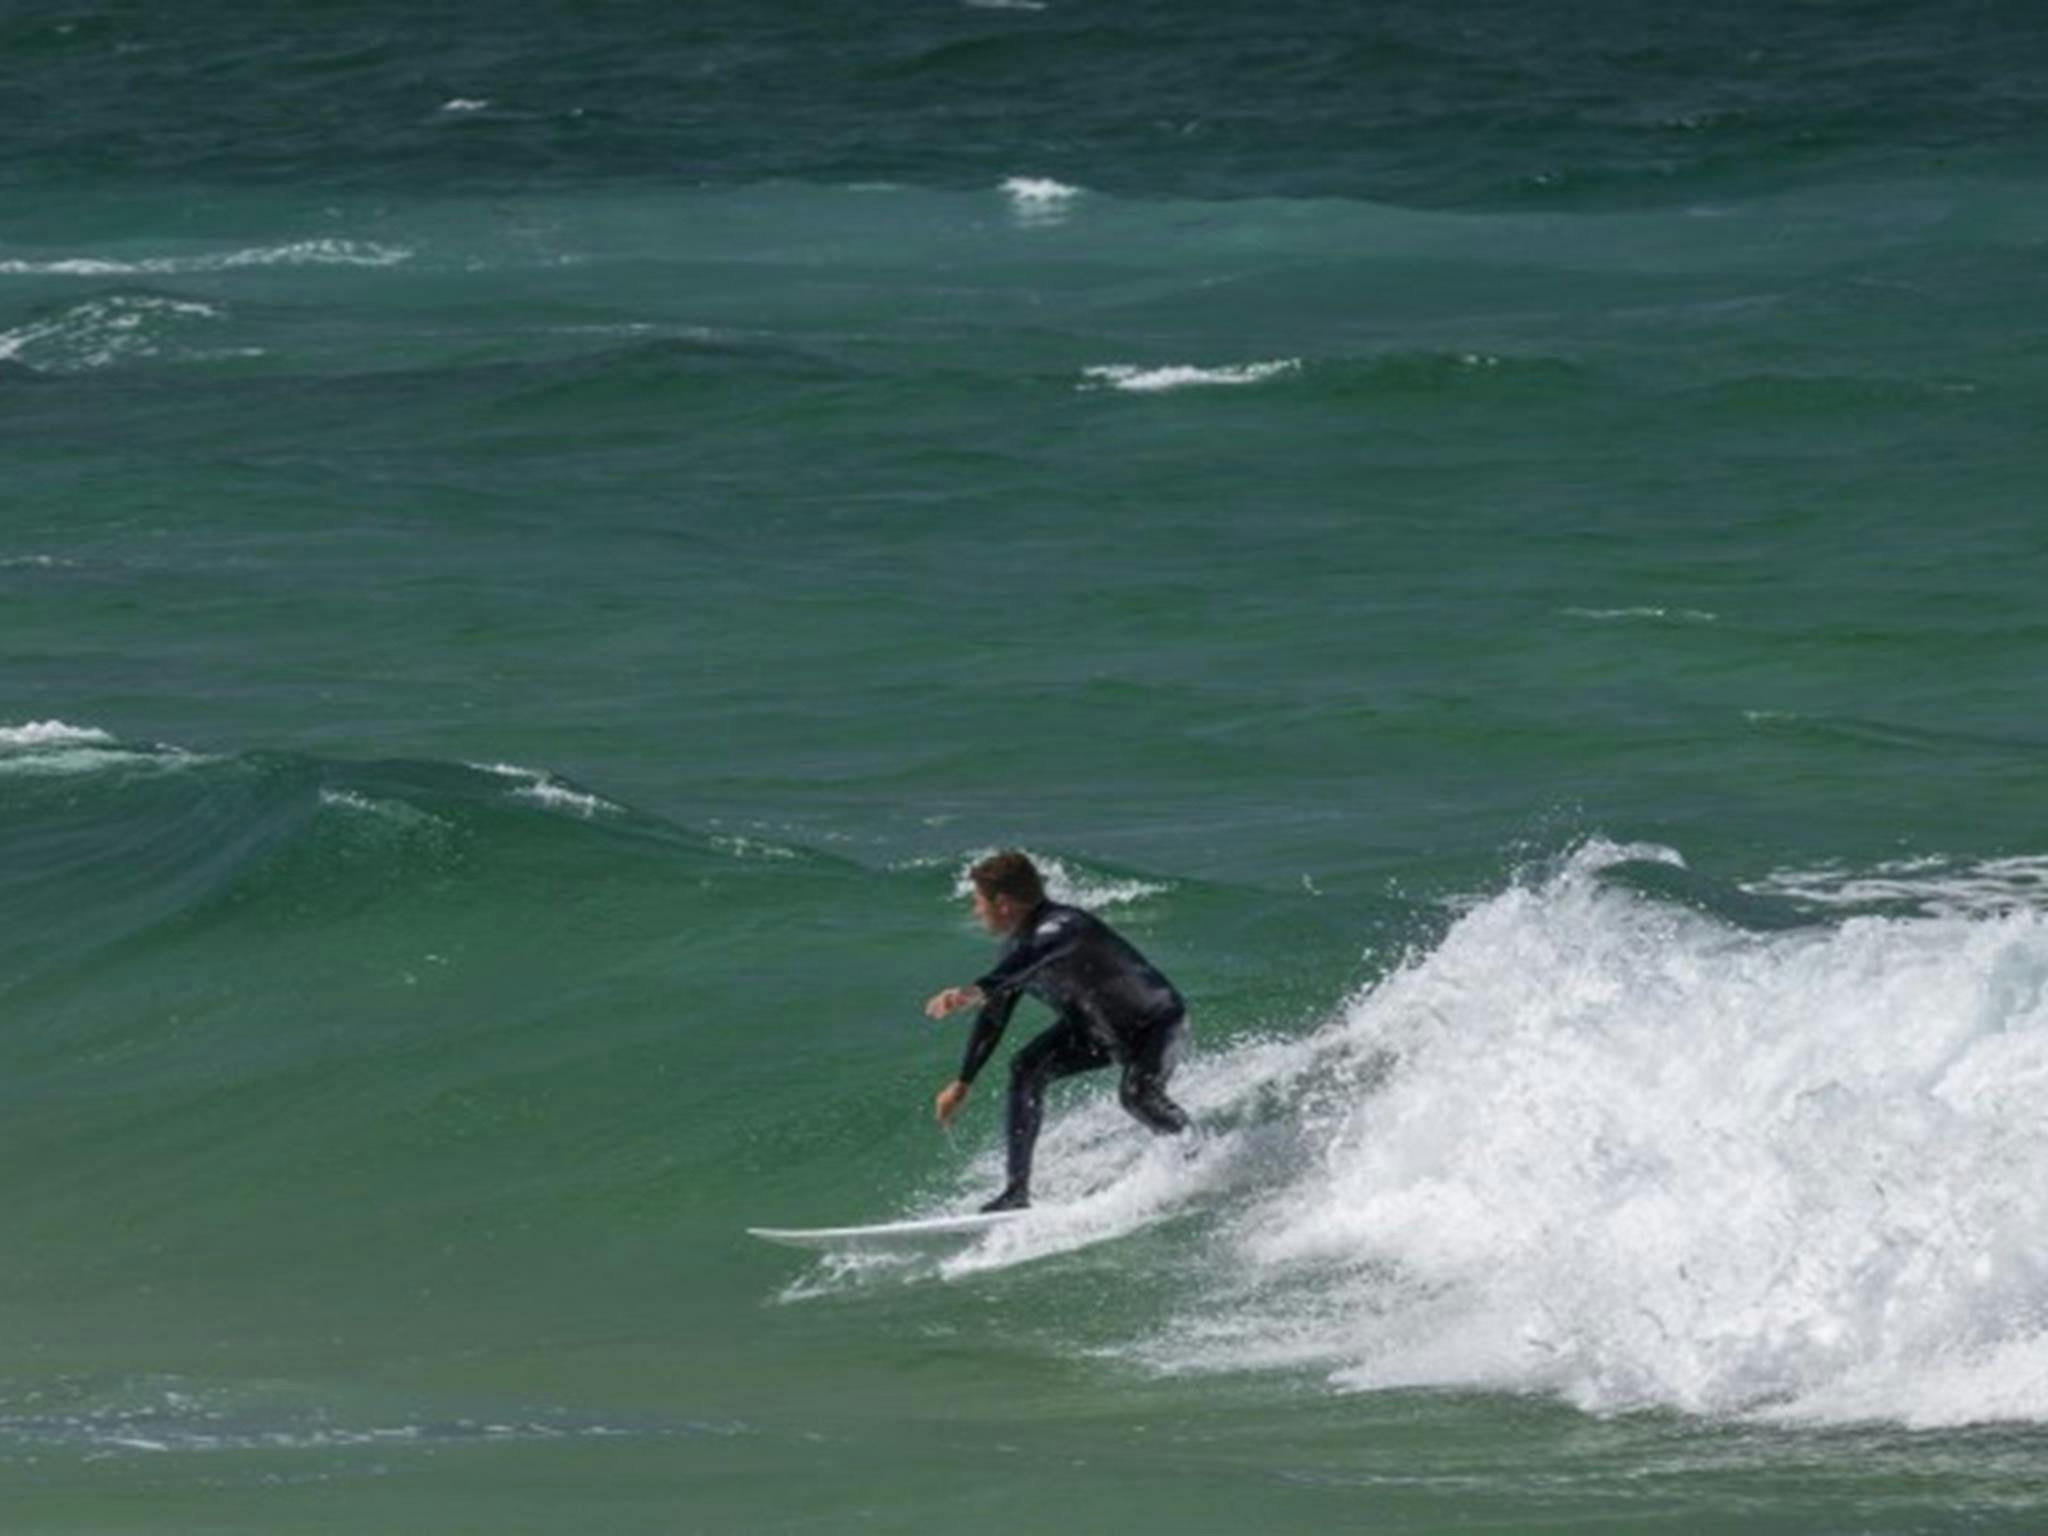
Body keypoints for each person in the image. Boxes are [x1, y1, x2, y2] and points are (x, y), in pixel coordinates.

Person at [925, 850, 1191, 1211]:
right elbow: (995, 1015)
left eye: (978, 901)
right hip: (1097, 1031)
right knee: (1026, 1067)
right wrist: (964, 1082)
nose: (976, 911)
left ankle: (1195, 1152)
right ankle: (1016, 1193)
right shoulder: (1015, 949)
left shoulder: (1064, 927)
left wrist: (969, 992)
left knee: (1138, 1096)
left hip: (1155, 1024)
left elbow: (1027, 963)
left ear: (1002, 903)